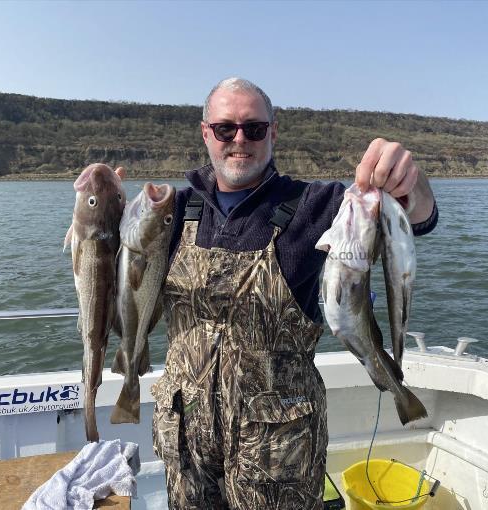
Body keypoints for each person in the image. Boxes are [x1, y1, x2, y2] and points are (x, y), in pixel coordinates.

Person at [149, 77, 438, 510]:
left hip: (277, 457)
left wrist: (408, 184)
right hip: (185, 442)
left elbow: (416, 218)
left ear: (273, 132)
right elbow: (115, 268)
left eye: (255, 128)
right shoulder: (171, 211)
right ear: (206, 132)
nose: (240, 140)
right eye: (226, 128)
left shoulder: (317, 205)